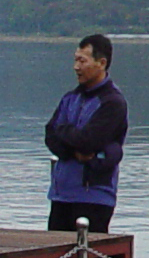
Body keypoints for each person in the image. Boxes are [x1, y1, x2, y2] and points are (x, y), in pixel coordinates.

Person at [44, 33, 128, 234]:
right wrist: (73, 150)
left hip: (94, 197)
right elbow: (50, 136)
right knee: (57, 252)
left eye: (82, 61)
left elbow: (89, 141)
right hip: (61, 195)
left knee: (89, 253)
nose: (76, 67)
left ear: (101, 63)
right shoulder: (70, 98)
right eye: (75, 60)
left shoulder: (112, 103)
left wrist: (64, 132)